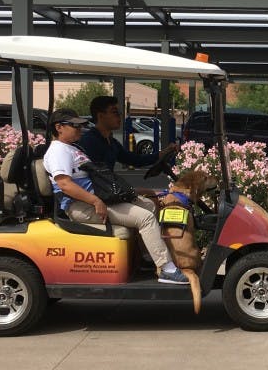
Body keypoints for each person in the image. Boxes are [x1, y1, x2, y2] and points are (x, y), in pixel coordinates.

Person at [41, 108, 188, 285]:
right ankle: (167, 269)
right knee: (146, 218)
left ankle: (147, 257)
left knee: (149, 205)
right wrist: (96, 201)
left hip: (98, 199)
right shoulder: (58, 151)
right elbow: (65, 185)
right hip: (82, 206)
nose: (80, 130)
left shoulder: (71, 147)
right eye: (75, 126)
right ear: (59, 127)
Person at [78, 95, 152, 170]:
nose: (119, 116)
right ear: (100, 116)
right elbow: (90, 174)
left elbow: (135, 160)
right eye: (114, 112)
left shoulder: (112, 142)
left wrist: (161, 155)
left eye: (119, 112)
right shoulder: (89, 141)